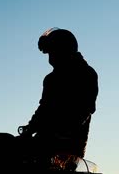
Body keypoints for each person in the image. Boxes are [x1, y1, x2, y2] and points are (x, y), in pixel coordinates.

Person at [18, 28, 98, 158]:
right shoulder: (51, 79)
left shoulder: (85, 74)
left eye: (52, 52)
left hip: (66, 149)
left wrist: (60, 133)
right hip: (44, 141)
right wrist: (29, 130)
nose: (50, 57)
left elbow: (85, 109)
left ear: (63, 50)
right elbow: (44, 108)